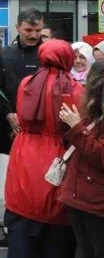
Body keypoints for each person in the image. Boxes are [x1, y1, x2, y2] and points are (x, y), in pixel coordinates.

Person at [2, 39, 83, 258]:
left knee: (22, 222)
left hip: (24, 154)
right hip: (58, 155)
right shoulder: (76, 89)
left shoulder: (26, 83)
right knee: (55, 235)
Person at [0, 8, 44, 251]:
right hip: (8, 128)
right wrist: (9, 114)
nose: (33, 35)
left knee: (36, 184)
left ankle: (36, 232)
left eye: (38, 30)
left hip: (39, 132)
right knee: (9, 183)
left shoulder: (47, 53)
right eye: (29, 30)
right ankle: (11, 230)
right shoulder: (5, 53)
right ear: (18, 27)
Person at [59, 60, 104, 258]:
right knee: (85, 249)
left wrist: (76, 127)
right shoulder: (93, 110)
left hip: (95, 199)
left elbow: (100, 155)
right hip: (80, 194)